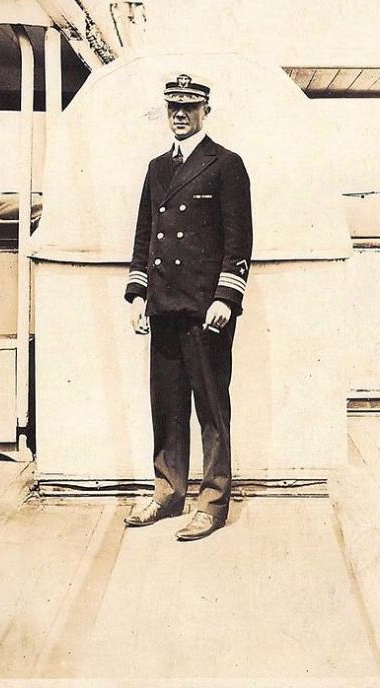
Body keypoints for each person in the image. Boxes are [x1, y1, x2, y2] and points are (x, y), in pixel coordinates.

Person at [124, 73, 252, 541]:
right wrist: (138, 293)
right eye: (173, 107)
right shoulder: (158, 167)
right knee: (167, 405)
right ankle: (168, 491)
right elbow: (144, 235)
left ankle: (214, 500)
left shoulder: (226, 164)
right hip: (163, 303)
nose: (180, 114)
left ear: (205, 111)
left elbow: (239, 239)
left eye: (189, 107)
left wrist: (226, 296)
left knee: (212, 406)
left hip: (204, 309)